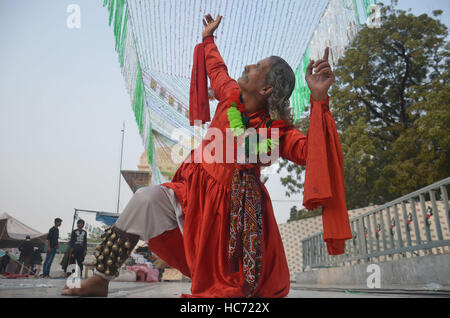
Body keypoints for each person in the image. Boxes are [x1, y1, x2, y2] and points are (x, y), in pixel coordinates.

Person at [62, 14, 351, 297]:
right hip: (191, 189)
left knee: (226, 288)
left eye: (257, 67)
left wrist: (318, 100)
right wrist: (208, 39)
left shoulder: (276, 132)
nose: (248, 65)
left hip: (231, 214)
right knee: (144, 199)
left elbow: (313, 154)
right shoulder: (229, 97)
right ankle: (101, 280)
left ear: (265, 88)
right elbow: (216, 68)